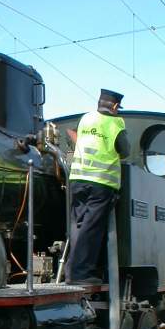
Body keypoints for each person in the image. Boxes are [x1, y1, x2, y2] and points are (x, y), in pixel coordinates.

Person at [65, 89, 130, 285]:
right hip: (101, 182)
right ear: (116, 106)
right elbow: (125, 151)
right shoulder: (116, 123)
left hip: (77, 179)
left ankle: (71, 271)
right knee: (91, 228)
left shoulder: (86, 118)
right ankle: (81, 273)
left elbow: (72, 135)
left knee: (78, 225)